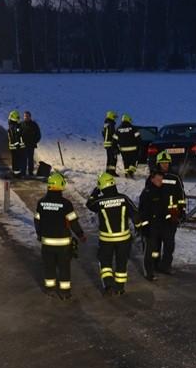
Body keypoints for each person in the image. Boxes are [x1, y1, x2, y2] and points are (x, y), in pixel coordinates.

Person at [86, 172, 145, 295]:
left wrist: (96, 191)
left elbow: (89, 204)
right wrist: (139, 228)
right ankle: (120, 288)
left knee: (105, 263)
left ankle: (108, 285)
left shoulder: (100, 201)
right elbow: (135, 214)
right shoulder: (124, 198)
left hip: (106, 240)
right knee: (121, 263)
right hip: (124, 239)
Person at [34, 172, 85, 300]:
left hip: (47, 243)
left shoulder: (41, 203)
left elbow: (37, 220)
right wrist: (80, 235)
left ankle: (49, 289)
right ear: (61, 186)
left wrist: (40, 234)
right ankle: (64, 292)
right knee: (64, 268)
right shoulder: (66, 204)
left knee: (49, 267)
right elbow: (73, 221)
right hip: (63, 244)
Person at [153, 151, 186, 274]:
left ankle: (166, 265)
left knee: (169, 243)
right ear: (158, 164)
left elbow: (181, 196)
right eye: (162, 163)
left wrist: (181, 212)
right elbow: (147, 196)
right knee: (155, 244)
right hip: (156, 217)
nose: (165, 165)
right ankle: (154, 265)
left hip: (171, 216)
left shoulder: (175, 177)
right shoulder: (153, 177)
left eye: (167, 163)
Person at [138, 170, 169, 281]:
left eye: (161, 180)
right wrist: (145, 226)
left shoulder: (163, 190)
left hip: (161, 225)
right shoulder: (147, 192)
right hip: (150, 226)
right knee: (149, 250)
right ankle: (149, 271)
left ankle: (156, 266)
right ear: (152, 179)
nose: (160, 182)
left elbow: (165, 208)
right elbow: (143, 211)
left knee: (157, 249)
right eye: (158, 180)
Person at [116, 114, 141, 179]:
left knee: (126, 161)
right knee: (133, 161)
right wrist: (139, 146)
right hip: (133, 149)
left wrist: (116, 148)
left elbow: (114, 140)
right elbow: (138, 138)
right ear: (128, 120)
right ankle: (130, 172)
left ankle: (127, 173)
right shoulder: (133, 128)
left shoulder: (118, 129)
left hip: (123, 150)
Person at [20, 110, 41, 178]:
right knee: (23, 159)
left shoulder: (34, 125)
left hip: (31, 145)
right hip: (23, 145)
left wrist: (34, 141)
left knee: (30, 159)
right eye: (25, 116)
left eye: (27, 116)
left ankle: (30, 172)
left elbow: (38, 135)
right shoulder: (21, 124)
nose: (26, 117)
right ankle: (23, 172)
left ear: (30, 117)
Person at [102, 110, 119, 175]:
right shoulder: (111, 124)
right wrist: (116, 144)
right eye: (114, 117)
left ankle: (108, 170)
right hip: (111, 144)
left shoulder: (106, 124)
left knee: (109, 158)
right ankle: (112, 172)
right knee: (113, 158)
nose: (115, 118)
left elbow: (103, 133)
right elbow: (113, 135)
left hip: (106, 144)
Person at [7, 110, 24, 177]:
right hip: (15, 146)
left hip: (13, 146)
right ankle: (17, 173)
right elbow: (14, 136)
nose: (18, 118)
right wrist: (17, 144)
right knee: (16, 160)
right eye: (17, 117)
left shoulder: (12, 125)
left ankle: (16, 172)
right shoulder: (14, 126)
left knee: (15, 159)